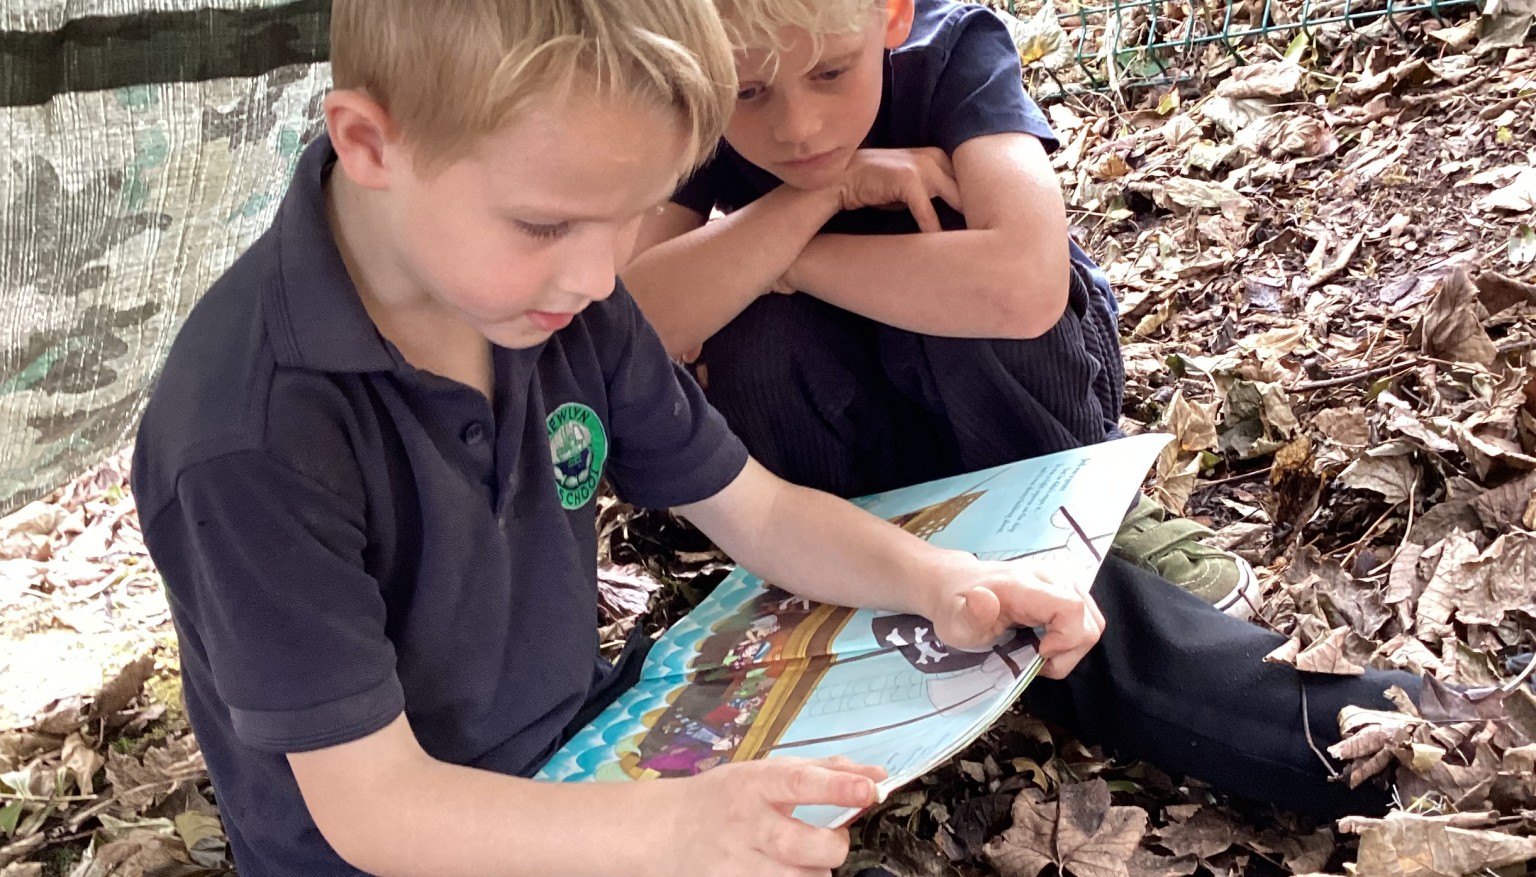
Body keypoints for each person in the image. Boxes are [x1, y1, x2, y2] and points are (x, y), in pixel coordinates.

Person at [131, 0, 1419, 874]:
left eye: (627, 218)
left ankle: (1378, 735)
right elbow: (375, 810)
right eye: (547, 224)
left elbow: (750, 507)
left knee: (1000, 628)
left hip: (587, 739)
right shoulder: (252, 436)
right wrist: (670, 829)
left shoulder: (544, 293)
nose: (596, 276)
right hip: (418, 840)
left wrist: (941, 580)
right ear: (369, 144)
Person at [622, 0, 1259, 616]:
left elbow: (1026, 286)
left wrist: (785, 260)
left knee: (952, 236)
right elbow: (630, 325)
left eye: (831, 73)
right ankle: (849, 561)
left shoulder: (952, 47)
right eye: (749, 92)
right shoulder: (699, 100)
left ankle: (1077, 509)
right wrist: (819, 198)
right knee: (743, 330)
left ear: (891, 14)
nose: (799, 128)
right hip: (837, 439)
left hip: (1017, 409)